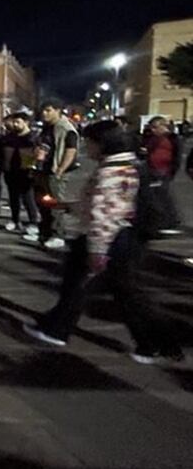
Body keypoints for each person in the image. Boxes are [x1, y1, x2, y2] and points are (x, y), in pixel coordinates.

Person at [23, 121, 183, 364]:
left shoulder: (112, 172)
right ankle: (56, 328)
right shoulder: (125, 164)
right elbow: (97, 205)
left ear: (102, 143)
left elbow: (105, 214)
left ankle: (157, 344)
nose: (87, 147)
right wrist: (66, 206)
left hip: (112, 238)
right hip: (117, 237)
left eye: (90, 142)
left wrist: (97, 251)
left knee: (121, 291)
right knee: (89, 285)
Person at [25, 102, 79, 250]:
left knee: (55, 204)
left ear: (58, 110)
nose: (44, 113)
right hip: (42, 170)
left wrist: (61, 169)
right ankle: (45, 232)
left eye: (48, 110)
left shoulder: (65, 128)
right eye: (43, 110)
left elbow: (71, 150)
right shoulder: (47, 128)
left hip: (55, 171)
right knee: (42, 202)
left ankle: (58, 235)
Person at [143, 116, 182, 236]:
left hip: (162, 170)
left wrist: (171, 171)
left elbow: (176, 156)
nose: (153, 130)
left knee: (161, 197)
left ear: (163, 126)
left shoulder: (172, 139)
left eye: (155, 127)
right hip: (154, 170)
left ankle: (169, 221)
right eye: (151, 128)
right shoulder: (154, 138)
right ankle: (163, 221)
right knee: (157, 196)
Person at [2, 112, 39, 234]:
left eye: (18, 122)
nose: (15, 124)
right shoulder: (10, 137)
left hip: (26, 171)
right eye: (14, 122)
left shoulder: (33, 138)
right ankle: (15, 220)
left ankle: (33, 222)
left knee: (28, 198)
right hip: (11, 171)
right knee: (13, 198)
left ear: (26, 122)